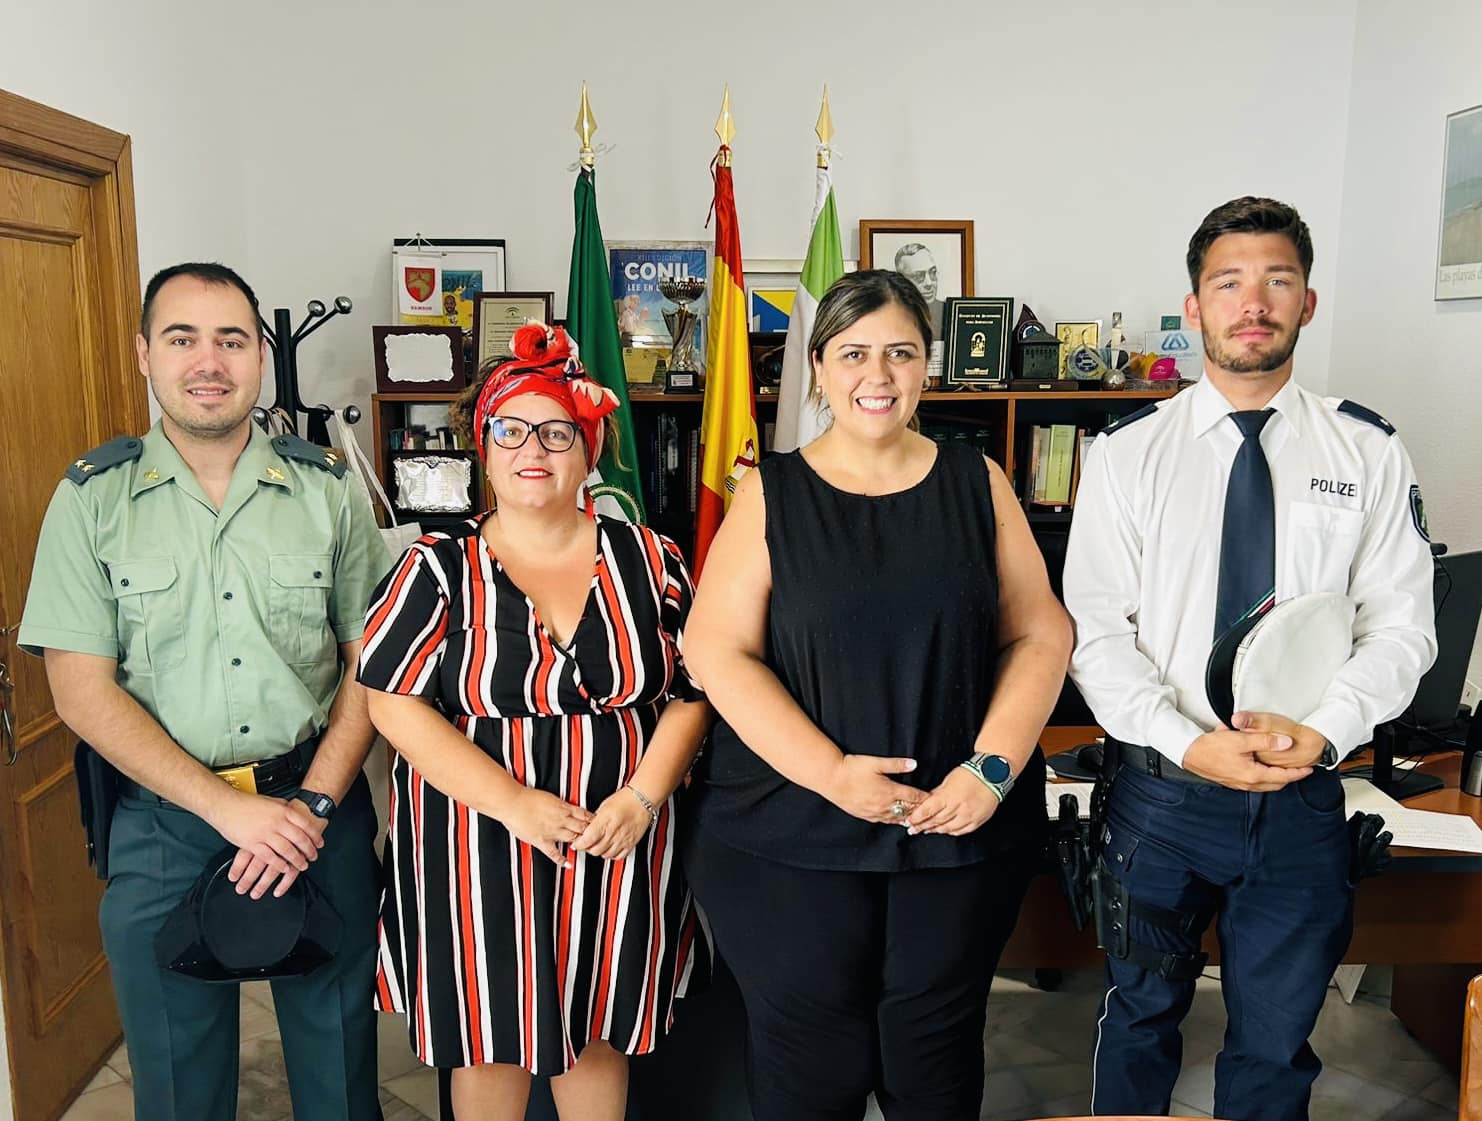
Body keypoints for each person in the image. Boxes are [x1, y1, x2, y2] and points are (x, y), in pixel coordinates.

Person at [1063, 196, 1437, 1121]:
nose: (1253, 302)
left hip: (1300, 796)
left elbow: (1402, 628)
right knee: (1139, 1012)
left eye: (1277, 280)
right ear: (1194, 307)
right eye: (1228, 283)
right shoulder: (1125, 455)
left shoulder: (1368, 449)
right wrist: (1188, 744)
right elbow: (1097, 632)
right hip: (1161, 794)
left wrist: (1323, 730)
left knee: (1275, 1040)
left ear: (1308, 302)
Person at [682, 269, 1072, 1121]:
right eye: (854, 353)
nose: (879, 375)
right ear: (817, 368)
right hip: (788, 831)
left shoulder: (980, 482)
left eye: (900, 352)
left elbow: (1041, 634)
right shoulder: (769, 492)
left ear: (927, 367)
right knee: (812, 1065)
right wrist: (832, 773)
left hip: (958, 825)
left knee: (931, 1056)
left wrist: (992, 770)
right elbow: (714, 647)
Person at [18, 262, 390, 1120]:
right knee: (180, 1087)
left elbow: (373, 665)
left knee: (341, 1074)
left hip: (315, 813)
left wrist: (314, 807)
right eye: (183, 337)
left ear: (260, 355)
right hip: (160, 825)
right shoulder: (91, 501)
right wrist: (231, 813)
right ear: (146, 354)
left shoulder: (329, 490)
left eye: (231, 338)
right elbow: (79, 690)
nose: (208, 359)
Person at [358, 322, 710, 1121]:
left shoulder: (651, 559)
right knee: (488, 1042)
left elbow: (696, 690)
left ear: (590, 448)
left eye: (558, 431)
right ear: (482, 447)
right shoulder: (435, 566)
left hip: (616, 837)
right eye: (511, 430)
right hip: (476, 846)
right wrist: (514, 802)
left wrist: (641, 799)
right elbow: (391, 700)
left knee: (596, 1037)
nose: (534, 450)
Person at [894, 242, 945, 339]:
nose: (929, 283)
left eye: (933, 273)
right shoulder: (890, 316)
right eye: (919, 276)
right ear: (901, 281)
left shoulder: (947, 312)